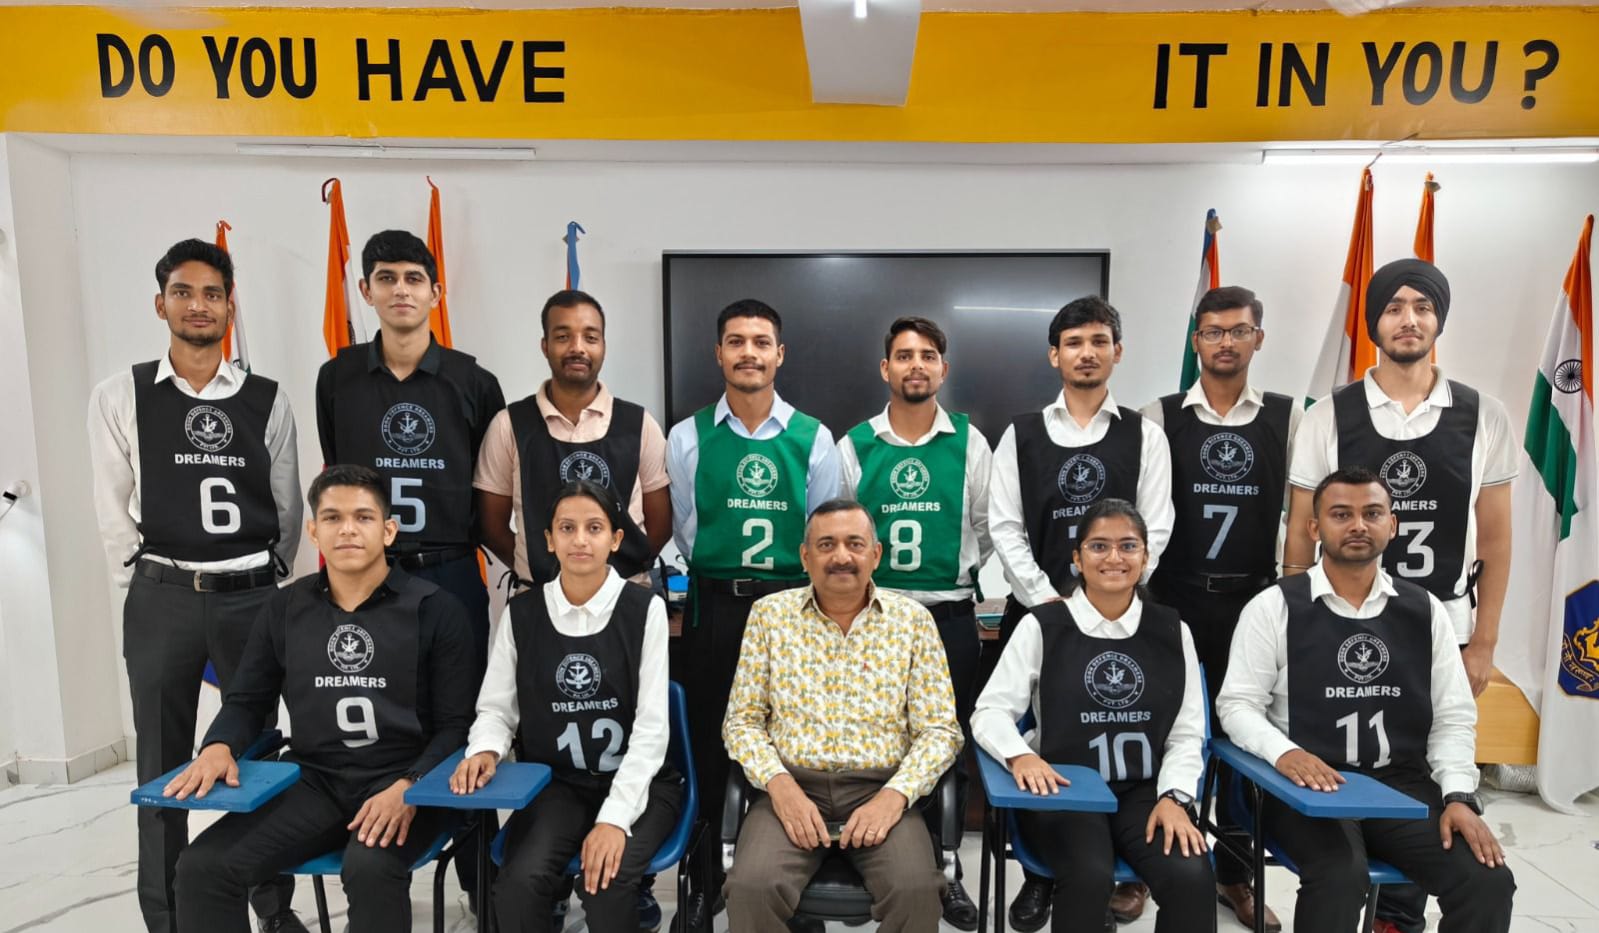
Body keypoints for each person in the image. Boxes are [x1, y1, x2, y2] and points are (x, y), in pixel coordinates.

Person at [1281, 261, 1516, 933]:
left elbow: (1496, 539)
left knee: (1422, 771)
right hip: (1340, 618)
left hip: (1440, 620)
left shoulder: (1483, 414)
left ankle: (1397, 919)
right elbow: (1300, 528)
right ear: (1373, 323)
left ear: (1439, 319)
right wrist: (1290, 610)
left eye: (1422, 306)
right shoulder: (1329, 414)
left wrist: (1484, 641)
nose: (1408, 318)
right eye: (1393, 307)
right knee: (1352, 753)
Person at [88, 238, 303, 933]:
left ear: (230, 305)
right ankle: (167, 918)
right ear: (161, 304)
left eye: (212, 293)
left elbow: (288, 509)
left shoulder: (266, 398)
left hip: (251, 594)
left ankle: (274, 908)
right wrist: (149, 586)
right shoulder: (121, 393)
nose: (198, 305)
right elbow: (112, 511)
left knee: (259, 750)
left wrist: (262, 582)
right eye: (183, 292)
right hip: (164, 595)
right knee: (161, 759)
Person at [167, 465, 477, 933]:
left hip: (407, 782)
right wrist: (219, 746)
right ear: (313, 531)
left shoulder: (436, 609)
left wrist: (409, 786)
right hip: (317, 782)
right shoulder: (285, 607)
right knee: (202, 868)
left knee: (369, 867)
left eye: (363, 517)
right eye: (332, 517)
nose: (347, 529)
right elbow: (247, 699)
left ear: (389, 530)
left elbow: (457, 726)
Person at [1218, 468, 1516, 933]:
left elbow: (1453, 717)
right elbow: (1236, 705)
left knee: (1487, 880)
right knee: (1339, 875)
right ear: (1314, 528)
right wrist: (1285, 753)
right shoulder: (1273, 607)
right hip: (1306, 787)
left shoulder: (1425, 610)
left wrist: (1458, 795)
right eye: (1341, 514)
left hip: (1399, 786)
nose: (1358, 525)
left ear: (1392, 525)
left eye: (1372, 513)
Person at [988, 294, 1174, 930]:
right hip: (1037, 617)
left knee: (1117, 731)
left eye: (1098, 341)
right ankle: (1043, 873)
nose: (1086, 353)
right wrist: (1052, 601)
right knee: (1037, 744)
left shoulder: (1144, 434)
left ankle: (1119, 871)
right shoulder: (1021, 433)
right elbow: (1005, 526)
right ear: (1054, 355)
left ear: (1117, 352)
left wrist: (1109, 596)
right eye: (1073, 343)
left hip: (1123, 620)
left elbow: (1157, 527)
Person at [665, 298, 842, 932]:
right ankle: (707, 878)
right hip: (716, 606)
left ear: (779, 354)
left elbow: (825, 534)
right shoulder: (686, 437)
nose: (749, 353)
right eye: (736, 341)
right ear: (718, 353)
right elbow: (684, 529)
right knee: (711, 744)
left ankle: (794, 884)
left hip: (793, 608)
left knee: (794, 744)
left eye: (761, 342)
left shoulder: (814, 437)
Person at [451, 480, 684, 933]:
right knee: (518, 884)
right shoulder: (522, 613)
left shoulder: (645, 609)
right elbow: (497, 708)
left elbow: (653, 729)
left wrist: (614, 819)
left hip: (640, 781)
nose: (580, 539)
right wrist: (485, 749)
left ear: (615, 539)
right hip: (558, 784)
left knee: (607, 884)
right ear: (548, 540)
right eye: (567, 528)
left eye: (594, 528)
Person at [721, 499, 963, 933]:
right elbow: (742, 721)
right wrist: (780, 787)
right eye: (826, 544)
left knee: (916, 892)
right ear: (805, 556)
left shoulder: (913, 621)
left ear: (876, 554)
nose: (841, 557)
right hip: (792, 785)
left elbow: (940, 731)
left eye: (855, 543)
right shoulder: (769, 617)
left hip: (880, 788)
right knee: (751, 888)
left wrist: (895, 796)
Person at [974, 498, 1215, 933]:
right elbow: (990, 711)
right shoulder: (1043, 624)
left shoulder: (1172, 629)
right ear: (1077, 558)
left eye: (1128, 546)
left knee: (1190, 874)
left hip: (1145, 789)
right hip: (1065, 786)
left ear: (1146, 557)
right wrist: (1020, 755)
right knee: (1088, 876)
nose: (1114, 558)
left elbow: (1186, 731)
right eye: (1099, 546)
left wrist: (1176, 798)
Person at [1141, 286, 1294, 933]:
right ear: (1195, 340)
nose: (1225, 342)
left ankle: (1234, 871)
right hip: (1171, 597)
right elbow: (1144, 516)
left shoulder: (1288, 417)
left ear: (1258, 337)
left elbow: (1301, 516)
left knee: (1241, 741)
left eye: (1238, 330)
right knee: (1157, 728)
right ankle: (1144, 868)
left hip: (1253, 603)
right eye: (1212, 331)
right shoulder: (1159, 415)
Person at [838, 315, 992, 930]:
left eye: (928, 355)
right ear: (886, 368)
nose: (916, 365)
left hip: (948, 615)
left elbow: (986, 528)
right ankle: (870, 857)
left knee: (944, 746)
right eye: (904, 355)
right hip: (874, 619)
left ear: (943, 369)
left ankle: (942, 869)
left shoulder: (970, 442)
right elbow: (837, 533)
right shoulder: (855, 444)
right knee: (873, 739)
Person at [316, 229, 505, 671]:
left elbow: (490, 487)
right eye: (386, 278)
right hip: (365, 570)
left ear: (435, 293)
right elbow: (338, 471)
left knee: (459, 699)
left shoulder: (476, 383)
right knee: (371, 695)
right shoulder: (336, 378)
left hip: (451, 572)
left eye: (413, 278)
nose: (400, 290)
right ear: (366, 291)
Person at [476, 289, 672, 588]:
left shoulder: (639, 424)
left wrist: (620, 575)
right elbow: (492, 526)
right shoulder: (510, 425)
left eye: (590, 337)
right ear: (545, 346)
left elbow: (661, 525)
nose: (577, 348)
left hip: (625, 595)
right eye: (563, 336)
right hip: (538, 596)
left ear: (603, 346)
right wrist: (537, 570)